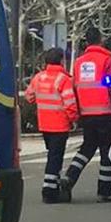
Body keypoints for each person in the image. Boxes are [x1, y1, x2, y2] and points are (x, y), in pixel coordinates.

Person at [60, 27, 111, 203]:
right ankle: (104, 191)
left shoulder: (79, 63)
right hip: (104, 113)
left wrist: (78, 112)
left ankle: (69, 177)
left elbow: (75, 87)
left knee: (87, 149)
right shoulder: (107, 61)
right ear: (101, 40)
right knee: (107, 152)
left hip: (86, 114)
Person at [24, 48, 79, 204]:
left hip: (44, 125)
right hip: (59, 125)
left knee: (52, 156)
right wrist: (74, 119)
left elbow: (29, 96)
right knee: (55, 158)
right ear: (61, 61)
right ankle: (49, 191)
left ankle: (52, 186)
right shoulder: (63, 79)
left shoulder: (38, 78)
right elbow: (70, 103)